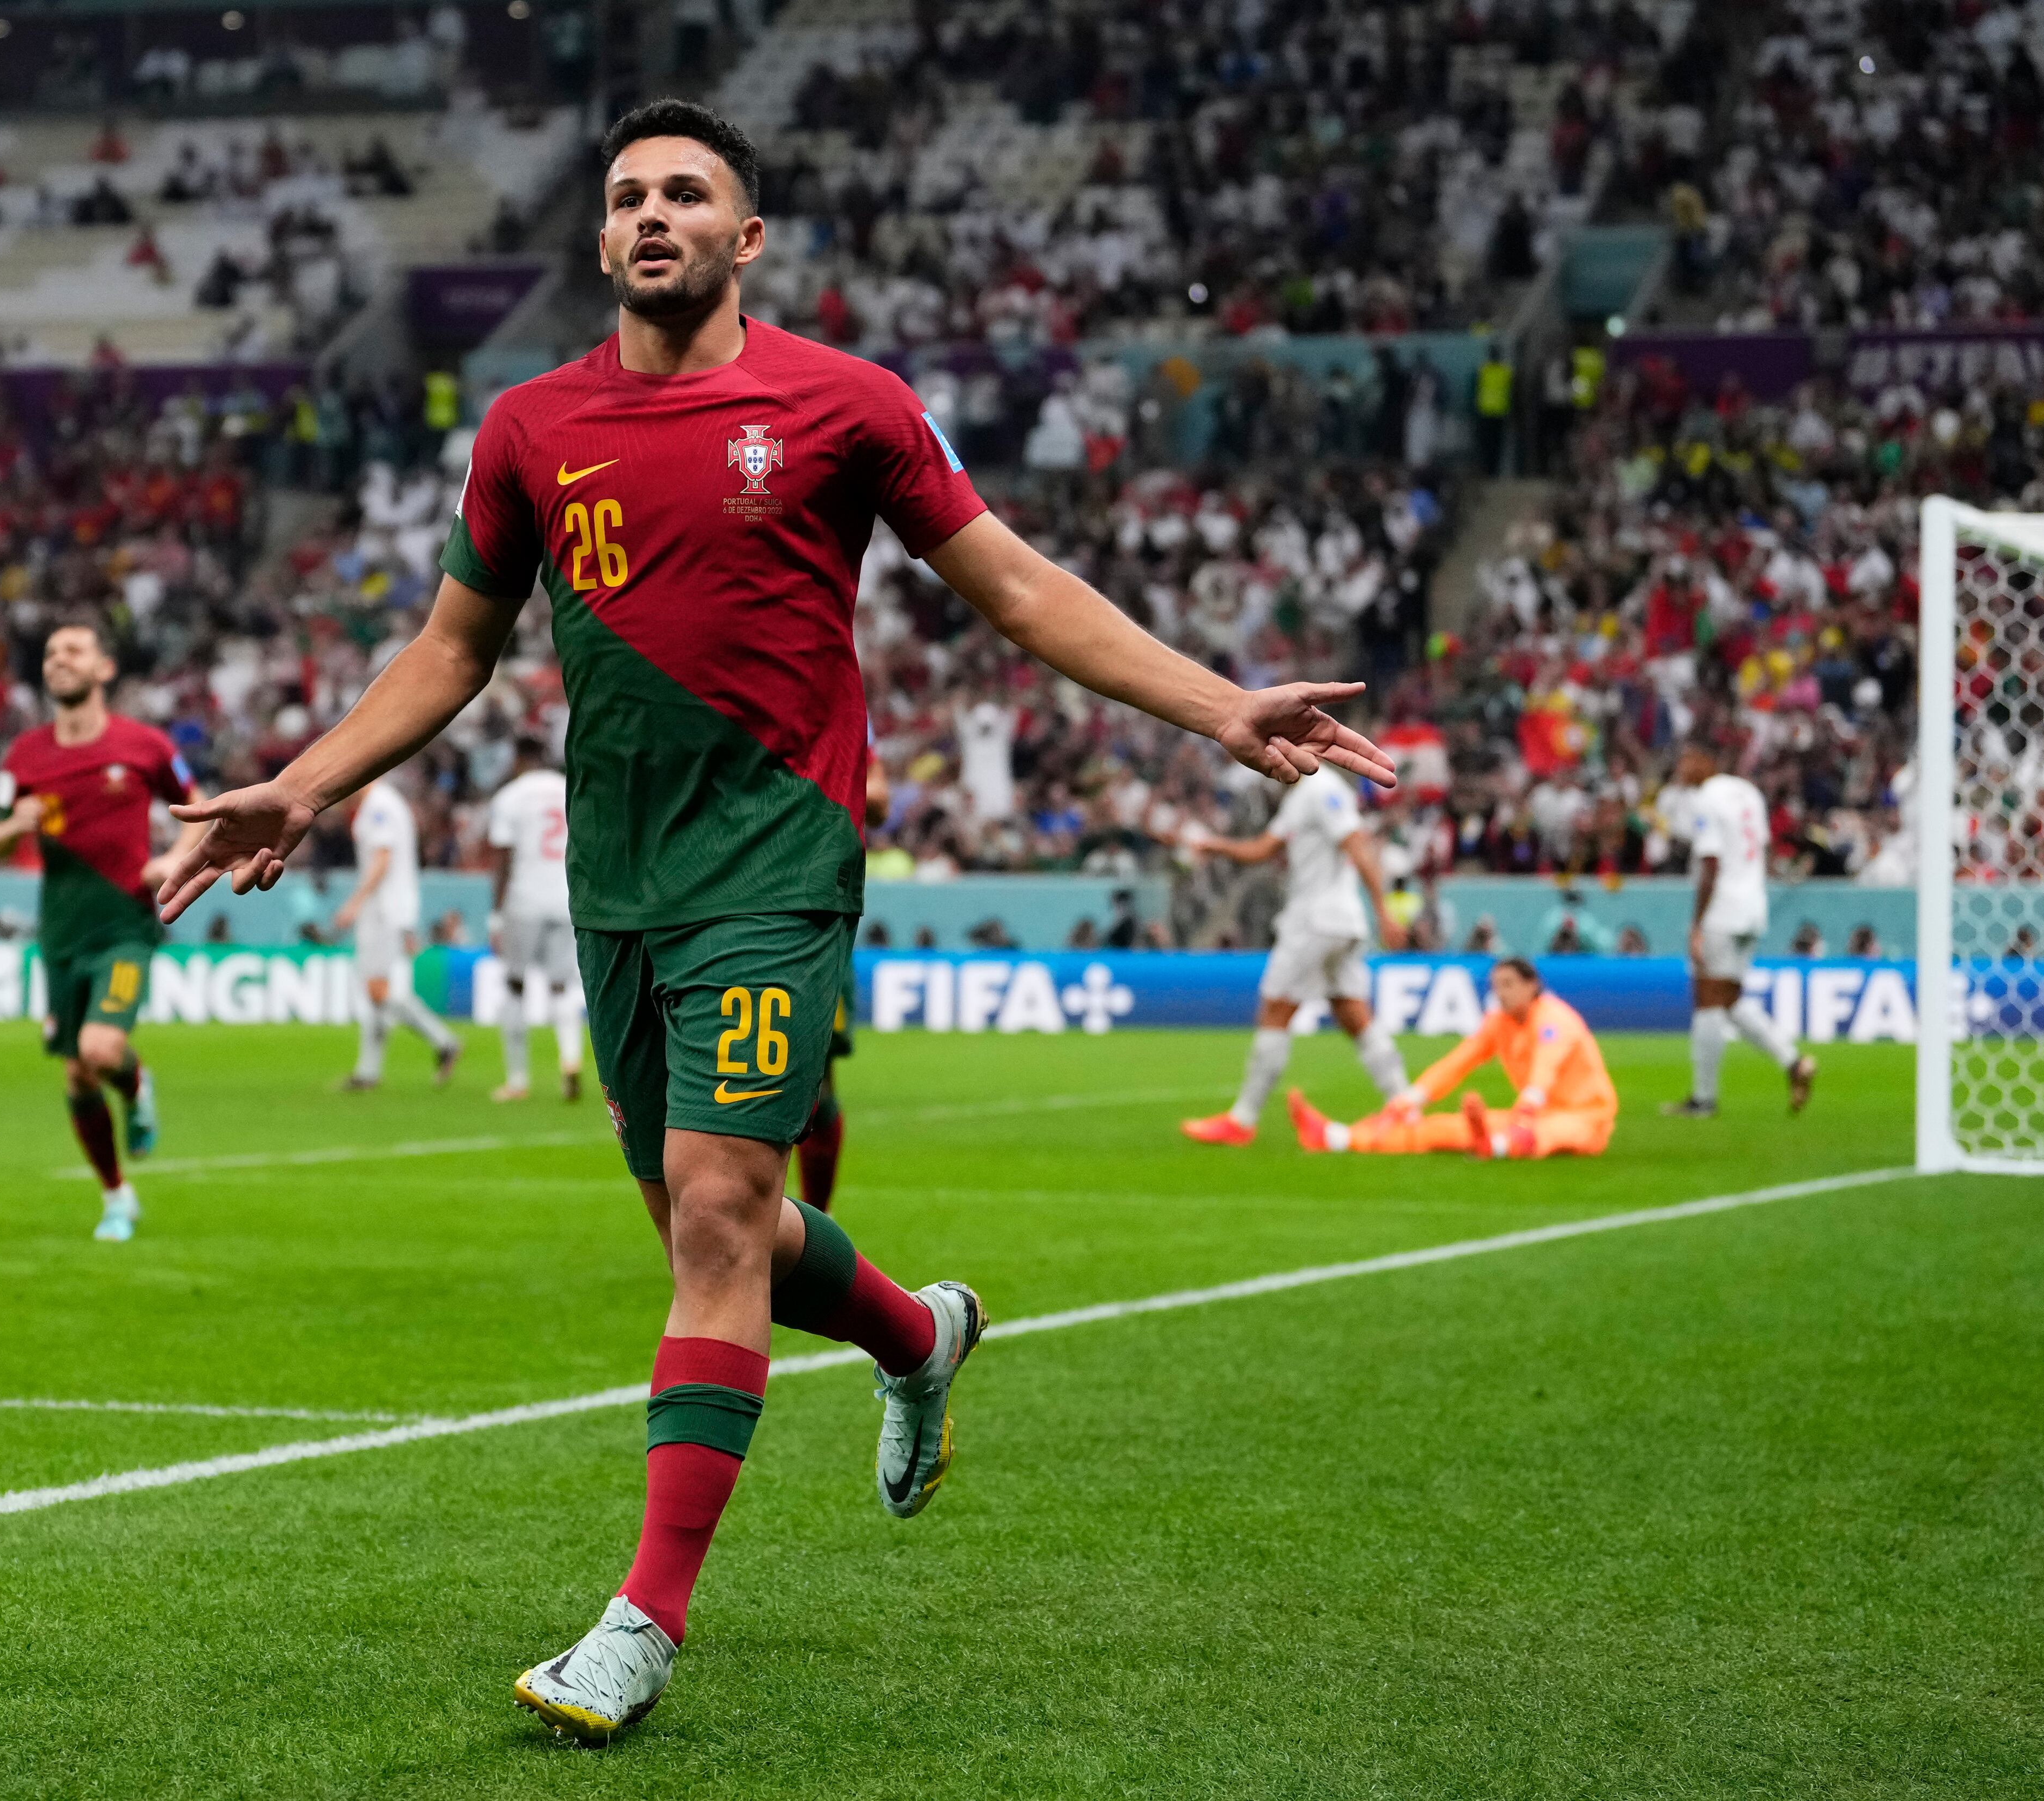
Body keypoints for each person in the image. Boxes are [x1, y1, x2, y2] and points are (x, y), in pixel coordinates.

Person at [152, 97, 1393, 1743]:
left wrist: (1218, 705)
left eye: (686, 194)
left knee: (724, 1209)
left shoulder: (843, 406)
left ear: (744, 238)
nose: (650, 214)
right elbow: (454, 647)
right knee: (704, 1224)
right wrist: (304, 784)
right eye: (626, 196)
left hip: (775, 856)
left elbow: (1019, 588)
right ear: (602, 237)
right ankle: (916, 1332)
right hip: (618, 882)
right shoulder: (528, 426)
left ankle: (641, 1623)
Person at [0, 622, 211, 1242]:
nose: (59, 660)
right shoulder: (23, 755)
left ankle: (135, 1084)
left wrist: (175, 859)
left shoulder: (144, 745)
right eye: (51, 653)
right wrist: (15, 827)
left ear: (103, 669)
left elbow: (197, 806)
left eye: (73, 651)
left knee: (100, 1051)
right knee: (79, 1075)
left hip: (124, 927)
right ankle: (116, 1195)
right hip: (60, 932)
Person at [1180, 764, 1409, 1145]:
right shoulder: (1300, 795)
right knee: (1353, 1012)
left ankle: (1242, 1120)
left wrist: (1384, 911)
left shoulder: (1322, 789)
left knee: (1276, 1008)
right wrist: (1215, 846)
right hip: (1340, 922)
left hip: (1317, 920)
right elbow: (1263, 849)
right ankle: (1404, 1105)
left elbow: (1357, 845)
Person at [1286, 957, 1615, 1158]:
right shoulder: (1499, 1022)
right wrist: (1411, 1099)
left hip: (1586, 1117)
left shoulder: (1555, 1020)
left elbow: (1547, 1067)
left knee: (1551, 1133)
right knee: (1441, 1128)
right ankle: (1338, 1137)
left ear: (1532, 986)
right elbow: (1458, 1063)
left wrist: (1528, 1108)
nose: (1501, 993)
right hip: (1531, 1113)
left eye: (1509, 985)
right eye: (1497, 986)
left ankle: (1498, 1146)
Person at [1664, 742, 1815, 1117]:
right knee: (1729, 998)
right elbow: (1762, 848)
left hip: (1722, 909)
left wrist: (1697, 923)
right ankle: (1793, 1062)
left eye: (1687, 760)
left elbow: (1711, 862)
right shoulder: (1748, 793)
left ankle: (1704, 1099)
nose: (1682, 769)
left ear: (1707, 761)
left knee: (1707, 997)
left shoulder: (1706, 799)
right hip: (1753, 907)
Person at [795, 753, 887, 1211]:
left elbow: (880, 800)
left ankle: (814, 1225)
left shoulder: (832, 727)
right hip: (793, 913)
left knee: (813, 1081)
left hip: (811, 921)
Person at [331, 774, 459, 1091]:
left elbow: (383, 859)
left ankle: (444, 1041)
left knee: (377, 989)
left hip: (384, 907)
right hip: (386, 907)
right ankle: (368, 1072)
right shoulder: (382, 803)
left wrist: (354, 903)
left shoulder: (380, 806)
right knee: (375, 991)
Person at [483, 735, 584, 1101]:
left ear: (518, 760)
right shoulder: (569, 788)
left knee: (514, 984)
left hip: (524, 900)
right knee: (561, 986)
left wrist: (496, 915)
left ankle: (518, 1080)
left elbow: (503, 860)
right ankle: (570, 1060)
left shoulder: (511, 797)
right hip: (566, 898)